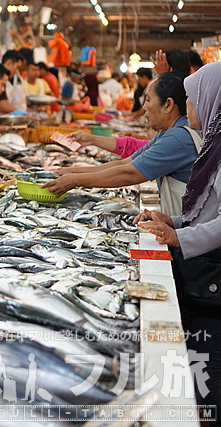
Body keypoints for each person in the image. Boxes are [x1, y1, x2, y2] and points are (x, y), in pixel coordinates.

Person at [133, 62, 221, 413]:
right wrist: (172, 220)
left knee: (210, 380)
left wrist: (179, 238)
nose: (187, 108)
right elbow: (208, 210)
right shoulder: (214, 141)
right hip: (206, 281)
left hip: (214, 285)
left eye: (192, 99)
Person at [44, 72, 200, 217]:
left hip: (193, 234)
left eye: (148, 100)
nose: (144, 107)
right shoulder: (169, 132)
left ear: (168, 104)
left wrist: (75, 181)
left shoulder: (178, 138)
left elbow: (129, 174)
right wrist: (71, 172)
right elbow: (127, 162)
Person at [0, 49, 26, 114]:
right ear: (9, 63)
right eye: (17, 67)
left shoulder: (14, 78)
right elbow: (3, 105)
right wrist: (20, 111)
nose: (17, 71)